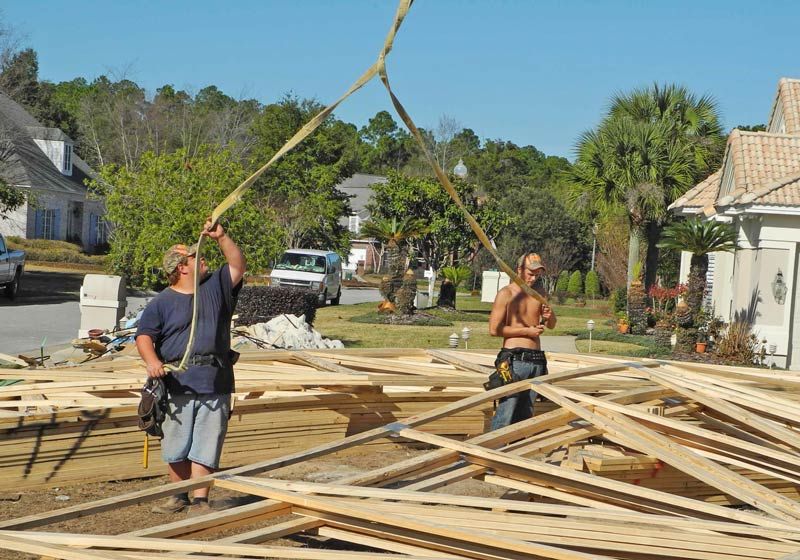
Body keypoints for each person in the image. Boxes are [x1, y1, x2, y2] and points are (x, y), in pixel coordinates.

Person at [136, 219, 245, 515]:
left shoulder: (216, 288)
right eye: (197, 256)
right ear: (182, 267)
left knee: (207, 443)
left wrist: (221, 236)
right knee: (176, 443)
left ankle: (200, 500)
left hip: (214, 380)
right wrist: (152, 362)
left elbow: (237, 263)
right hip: (177, 383)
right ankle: (178, 496)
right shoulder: (161, 303)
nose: (204, 258)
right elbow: (145, 336)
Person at [487, 252, 556, 430]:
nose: (534, 278)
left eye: (537, 274)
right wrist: (527, 331)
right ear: (519, 270)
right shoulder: (506, 293)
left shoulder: (540, 294)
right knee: (506, 411)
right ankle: (496, 451)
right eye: (530, 273)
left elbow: (552, 325)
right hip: (513, 360)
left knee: (526, 415)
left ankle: (516, 451)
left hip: (536, 360)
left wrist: (549, 316)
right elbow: (494, 330)